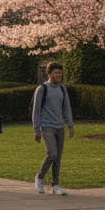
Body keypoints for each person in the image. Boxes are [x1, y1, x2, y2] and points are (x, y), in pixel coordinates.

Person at [32, 61, 75, 195]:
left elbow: (66, 108)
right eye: (56, 72)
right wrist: (36, 130)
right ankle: (39, 177)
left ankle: (55, 185)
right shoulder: (42, 89)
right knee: (52, 154)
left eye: (60, 72)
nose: (59, 75)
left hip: (59, 127)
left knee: (58, 157)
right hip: (46, 126)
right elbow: (36, 110)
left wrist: (70, 125)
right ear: (49, 74)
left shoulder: (62, 89)